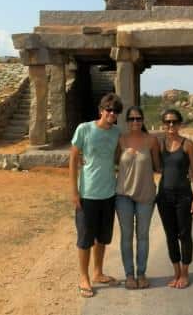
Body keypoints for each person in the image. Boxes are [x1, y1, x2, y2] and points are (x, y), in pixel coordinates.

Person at [69, 93, 123, 298]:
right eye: (109, 109)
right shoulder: (84, 129)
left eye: (116, 111)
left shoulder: (117, 132)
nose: (112, 114)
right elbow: (73, 159)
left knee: (102, 238)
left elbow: (120, 156)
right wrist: (74, 191)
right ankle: (84, 277)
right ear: (101, 110)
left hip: (108, 193)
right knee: (85, 239)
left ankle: (98, 272)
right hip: (87, 194)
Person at [115, 106, 161, 290]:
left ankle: (141, 273)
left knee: (142, 236)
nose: (135, 122)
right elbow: (113, 162)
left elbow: (158, 166)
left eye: (138, 119)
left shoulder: (151, 141)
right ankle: (129, 275)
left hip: (146, 195)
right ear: (127, 121)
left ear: (143, 120)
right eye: (132, 119)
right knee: (126, 237)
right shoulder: (121, 140)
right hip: (123, 195)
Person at [156, 108, 193, 289]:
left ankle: (185, 272)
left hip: (184, 196)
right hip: (164, 196)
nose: (171, 125)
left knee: (184, 234)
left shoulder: (187, 145)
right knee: (170, 235)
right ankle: (175, 271)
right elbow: (154, 165)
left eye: (174, 122)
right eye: (167, 122)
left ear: (180, 124)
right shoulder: (159, 145)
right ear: (163, 125)